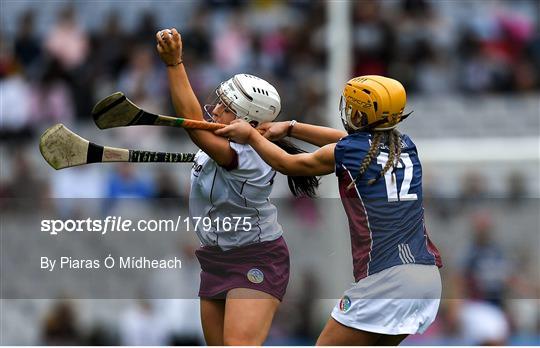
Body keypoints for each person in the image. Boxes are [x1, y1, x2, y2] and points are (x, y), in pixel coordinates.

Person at [217, 75, 443, 345]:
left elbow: (289, 164)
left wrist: (251, 135)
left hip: (388, 280)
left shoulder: (352, 151)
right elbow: (345, 142)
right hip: (427, 279)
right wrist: (291, 128)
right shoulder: (405, 146)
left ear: (360, 114)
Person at [155, 28, 318, 345]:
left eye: (226, 108)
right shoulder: (223, 144)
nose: (215, 110)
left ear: (249, 124)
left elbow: (191, 124)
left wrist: (175, 65)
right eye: (220, 101)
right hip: (215, 256)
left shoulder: (248, 155)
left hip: (256, 257)